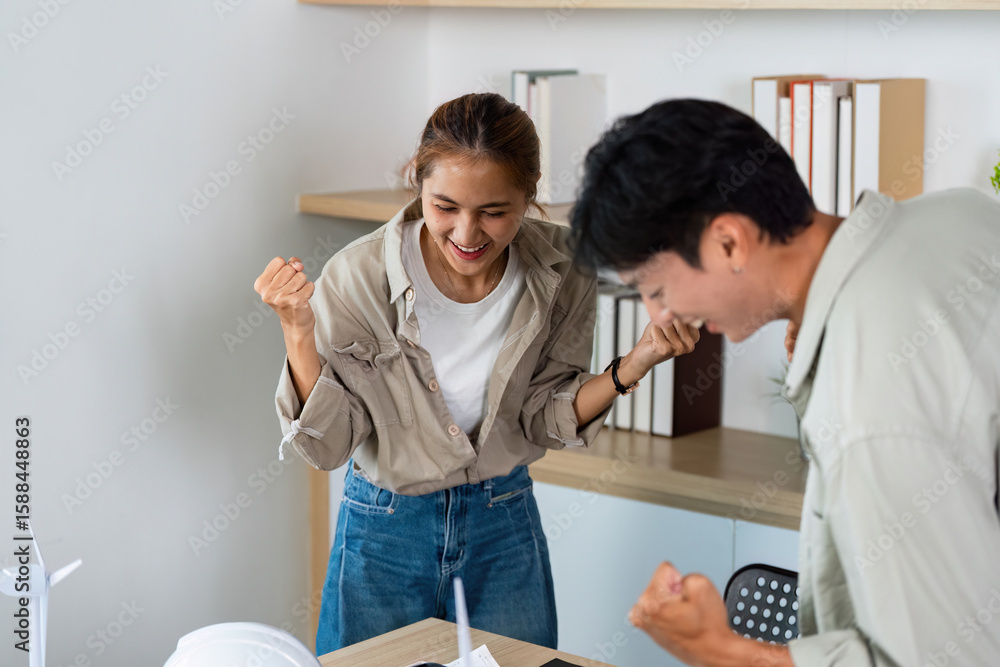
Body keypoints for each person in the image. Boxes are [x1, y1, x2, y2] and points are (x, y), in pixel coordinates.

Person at [253, 92, 701, 654]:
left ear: (529, 195)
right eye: (445, 207)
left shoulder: (563, 269)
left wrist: (636, 362)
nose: (467, 234)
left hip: (503, 519)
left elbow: (543, 417)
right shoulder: (357, 278)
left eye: (494, 212)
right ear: (417, 183)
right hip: (385, 526)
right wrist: (297, 329)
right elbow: (328, 446)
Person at [569, 98, 1000, 666]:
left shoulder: (867, 407)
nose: (660, 316)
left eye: (655, 289)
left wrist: (719, 651)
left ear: (729, 242)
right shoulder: (962, 211)